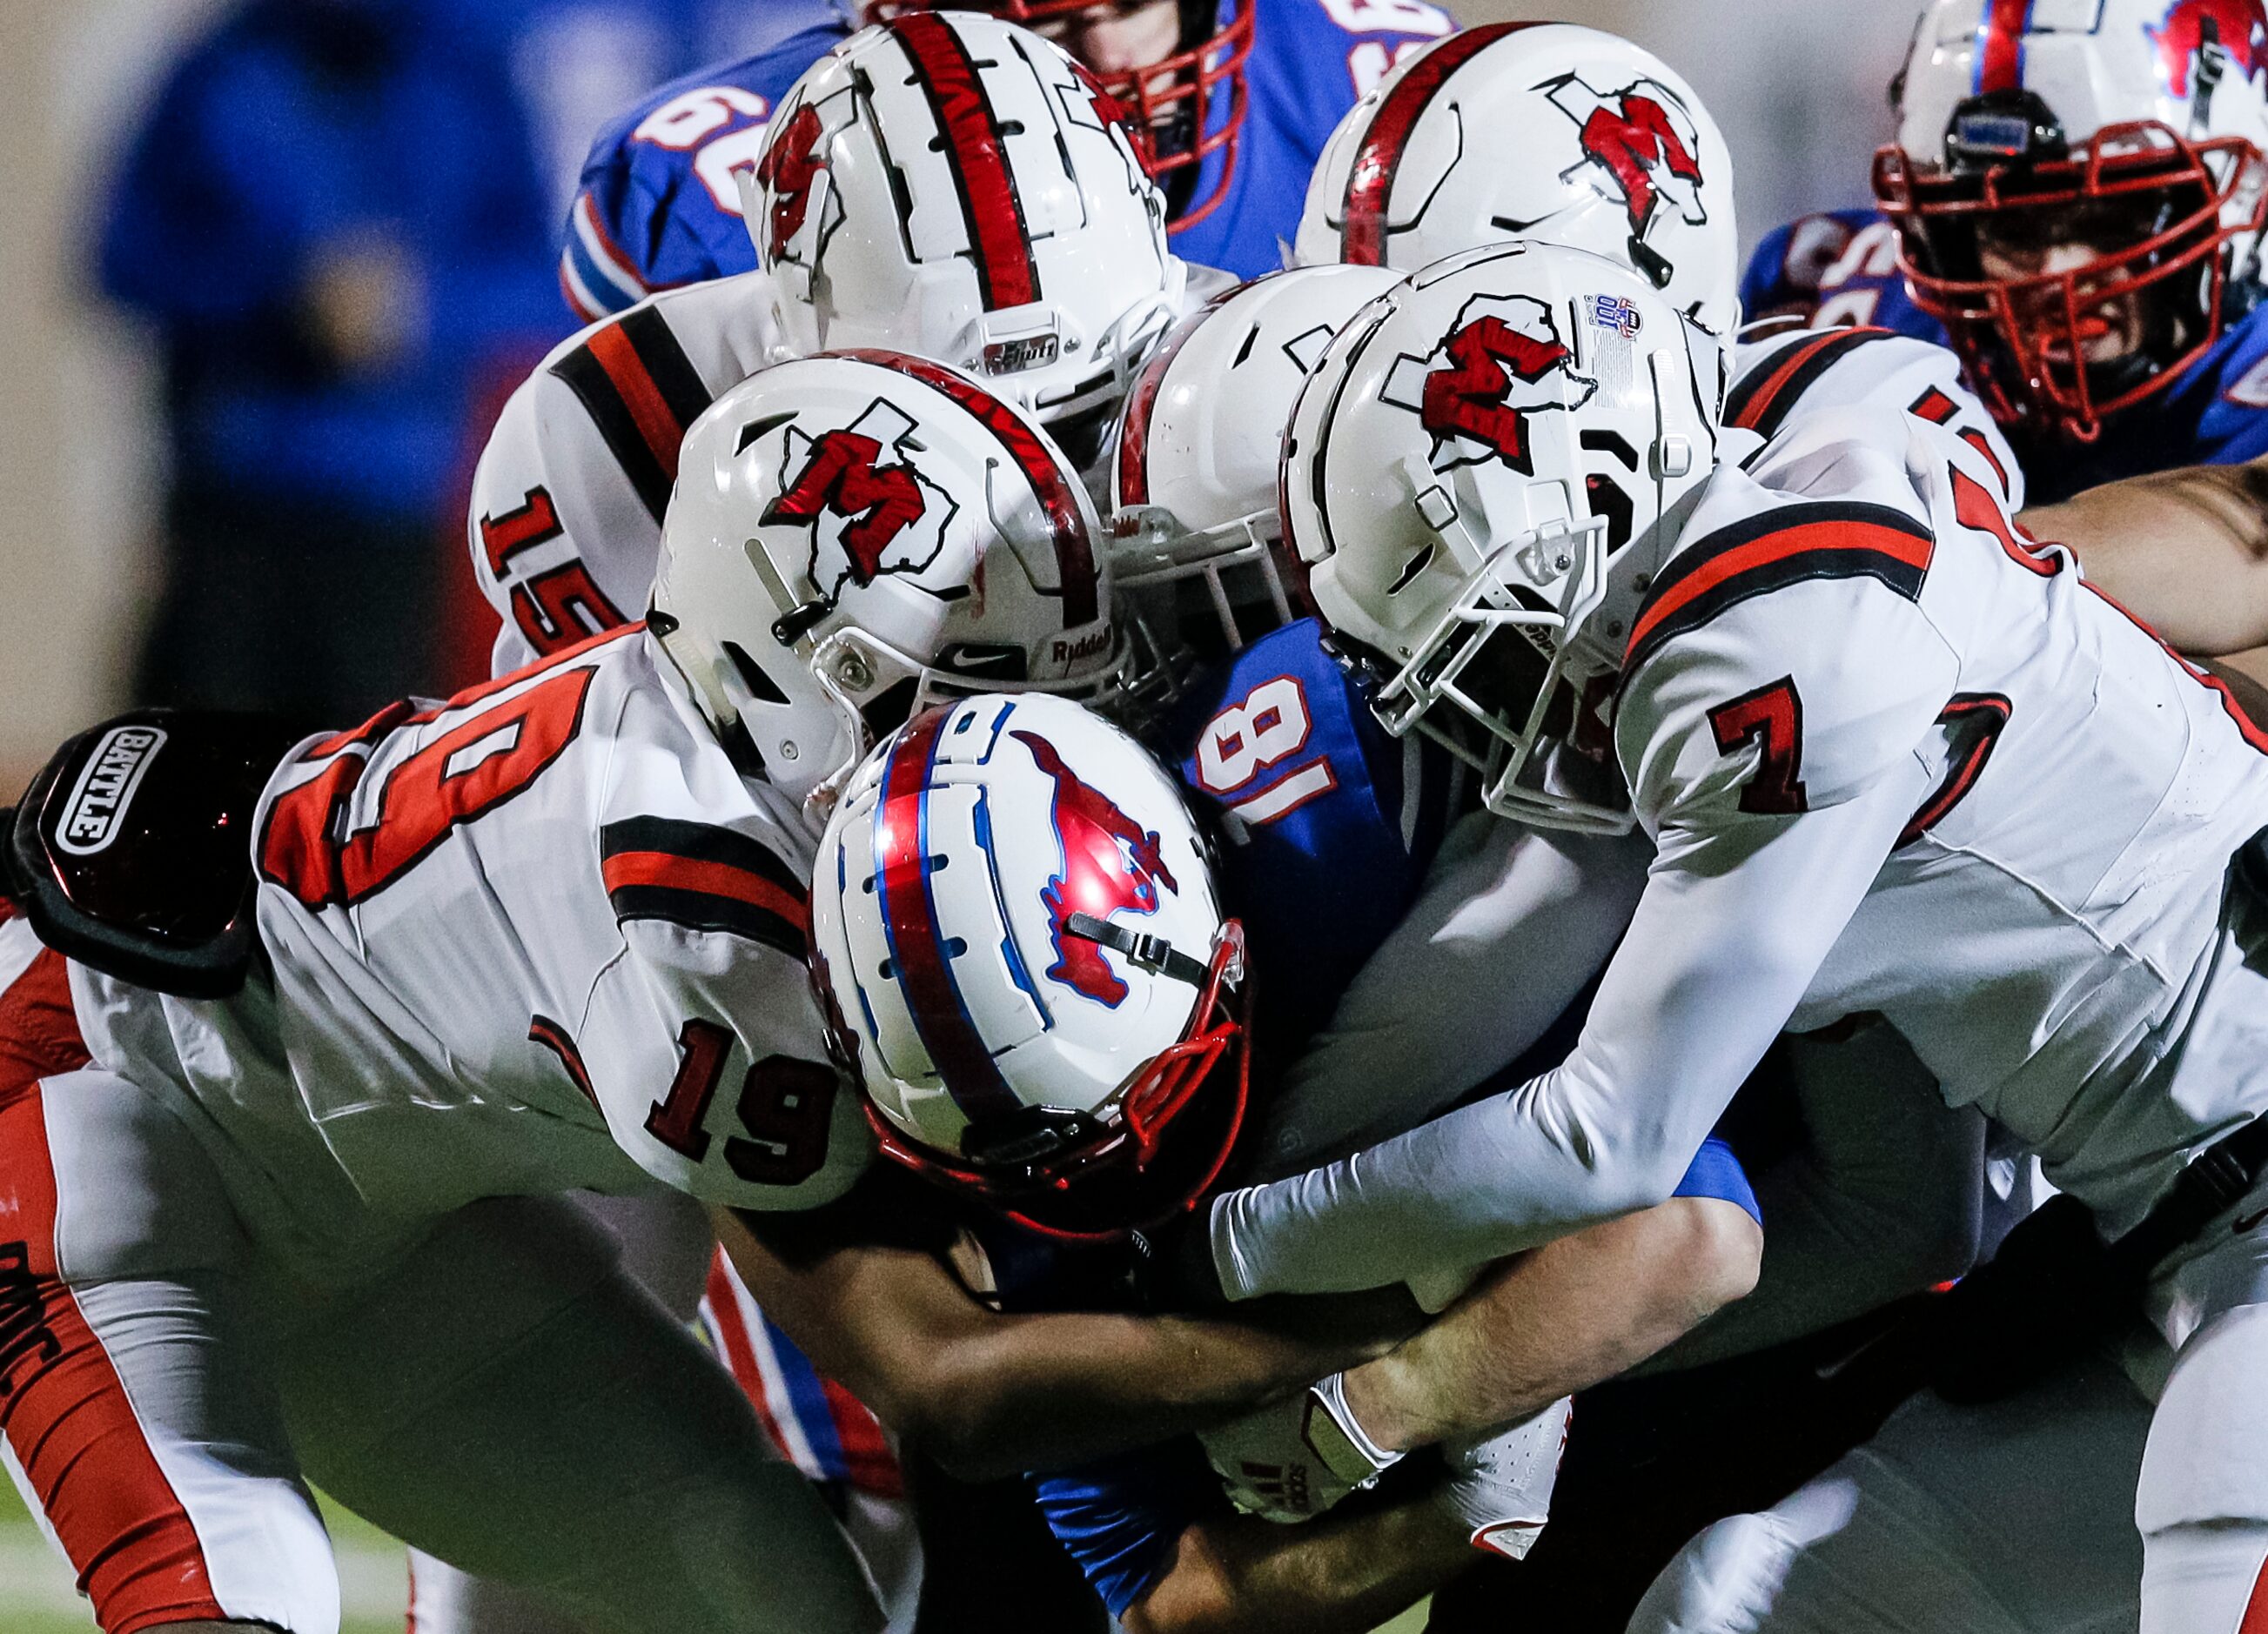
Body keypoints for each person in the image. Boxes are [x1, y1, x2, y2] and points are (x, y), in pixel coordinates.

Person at [0, 352, 1385, 1634]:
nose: (1035, 733)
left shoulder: (748, 743)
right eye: (972, 689)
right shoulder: (710, 937)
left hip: (375, 1215)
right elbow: (941, 1372)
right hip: (89, 1112)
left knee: (764, 1598)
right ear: (817, 687)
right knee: (237, 1591)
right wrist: (1366, 1344)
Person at [1170, 236, 2268, 1631]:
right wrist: (1459, 1391)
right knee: (1729, 1607)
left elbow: (1604, 1132)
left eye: (1485, 645)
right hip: (2170, 1245)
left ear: (1583, 534)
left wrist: (1213, 1253)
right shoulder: (1727, 579)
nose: (1484, 704)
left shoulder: (1773, 646)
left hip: (2247, 1195)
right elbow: (1899, 1205)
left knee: (2220, 1557)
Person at [98, 0, 562, 727]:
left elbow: (540, 277)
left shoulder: (464, 74)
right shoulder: (222, 68)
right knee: (187, 761)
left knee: (366, 785)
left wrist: (420, 306)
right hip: (233, 505)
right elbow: (125, 258)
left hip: (392, 512)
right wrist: (275, 302)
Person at [559, 0, 1455, 311]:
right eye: (1051, 26)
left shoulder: (1377, 79)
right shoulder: (720, 171)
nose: (1104, 65)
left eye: (1131, 7)